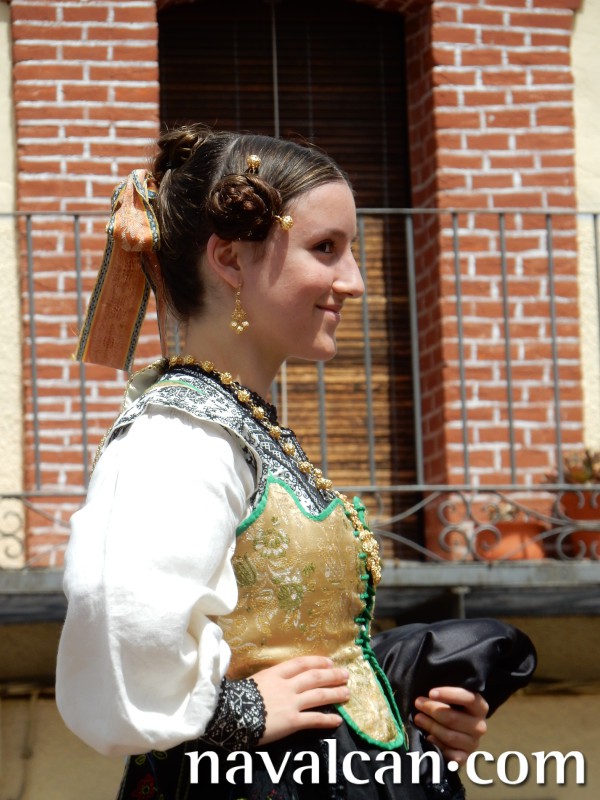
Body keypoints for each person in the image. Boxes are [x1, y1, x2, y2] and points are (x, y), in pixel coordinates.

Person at [56, 125, 535, 800]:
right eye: (326, 249)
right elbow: (119, 614)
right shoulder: (179, 434)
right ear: (229, 258)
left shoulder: (241, 426)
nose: (355, 282)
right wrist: (236, 713)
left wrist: (405, 718)